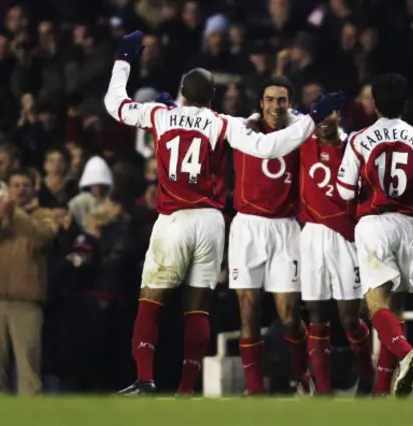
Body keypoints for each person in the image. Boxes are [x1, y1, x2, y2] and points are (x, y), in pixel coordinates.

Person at [103, 31, 345, 395]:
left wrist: (123, 60)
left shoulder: (159, 114)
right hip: (213, 223)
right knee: (198, 305)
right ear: (212, 97)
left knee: (152, 299)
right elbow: (265, 147)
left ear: (183, 95)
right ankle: (186, 388)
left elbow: (115, 104)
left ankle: (145, 378)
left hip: (174, 219)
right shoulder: (223, 123)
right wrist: (312, 118)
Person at [336, 73, 413, 397]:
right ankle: (380, 391)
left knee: (377, 308)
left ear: (374, 105)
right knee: (396, 308)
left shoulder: (359, 140)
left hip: (375, 223)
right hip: (411, 227)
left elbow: (345, 190)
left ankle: (406, 353)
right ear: (406, 104)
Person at [228, 76, 312, 395]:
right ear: (260, 102)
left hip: (285, 228)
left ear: (289, 103)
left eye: (282, 100)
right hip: (247, 227)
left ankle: (302, 372)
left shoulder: (300, 133)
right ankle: (254, 390)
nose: (276, 106)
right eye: (270, 99)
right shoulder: (242, 130)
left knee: (289, 316)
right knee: (248, 309)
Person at [299, 111, 375, 395]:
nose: (323, 125)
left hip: (346, 240)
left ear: (339, 119)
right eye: (318, 119)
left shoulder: (353, 150)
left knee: (349, 318)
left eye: (329, 118)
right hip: (311, 236)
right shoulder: (304, 145)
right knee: (316, 314)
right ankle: (324, 390)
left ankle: (367, 370)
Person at [0, 168, 59, 395]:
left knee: (28, 369)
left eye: (25, 185)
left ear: (34, 190)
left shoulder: (45, 215)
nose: (20, 189)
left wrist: (16, 215)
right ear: (7, 189)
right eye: (15, 185)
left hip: (27, 300)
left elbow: (43, 238)